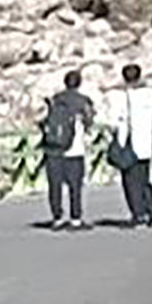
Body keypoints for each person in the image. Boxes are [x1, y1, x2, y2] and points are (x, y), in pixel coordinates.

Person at [103, 63, 152, 226]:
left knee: (130, 182)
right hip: (145, 144)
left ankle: (138, 214)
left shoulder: (120, 97)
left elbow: (112, 121)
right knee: (145, 181)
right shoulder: (151, 95)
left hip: (128, 145)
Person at [39, 69, 96, 229]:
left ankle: (57, 217)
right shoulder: (83, 101)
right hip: (75, 149)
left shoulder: (54, 100)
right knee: (75, 186)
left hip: (54, 149)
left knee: (55, 185)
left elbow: (44, 121)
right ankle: (75, 218)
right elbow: (89, 121)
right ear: (79, 83)